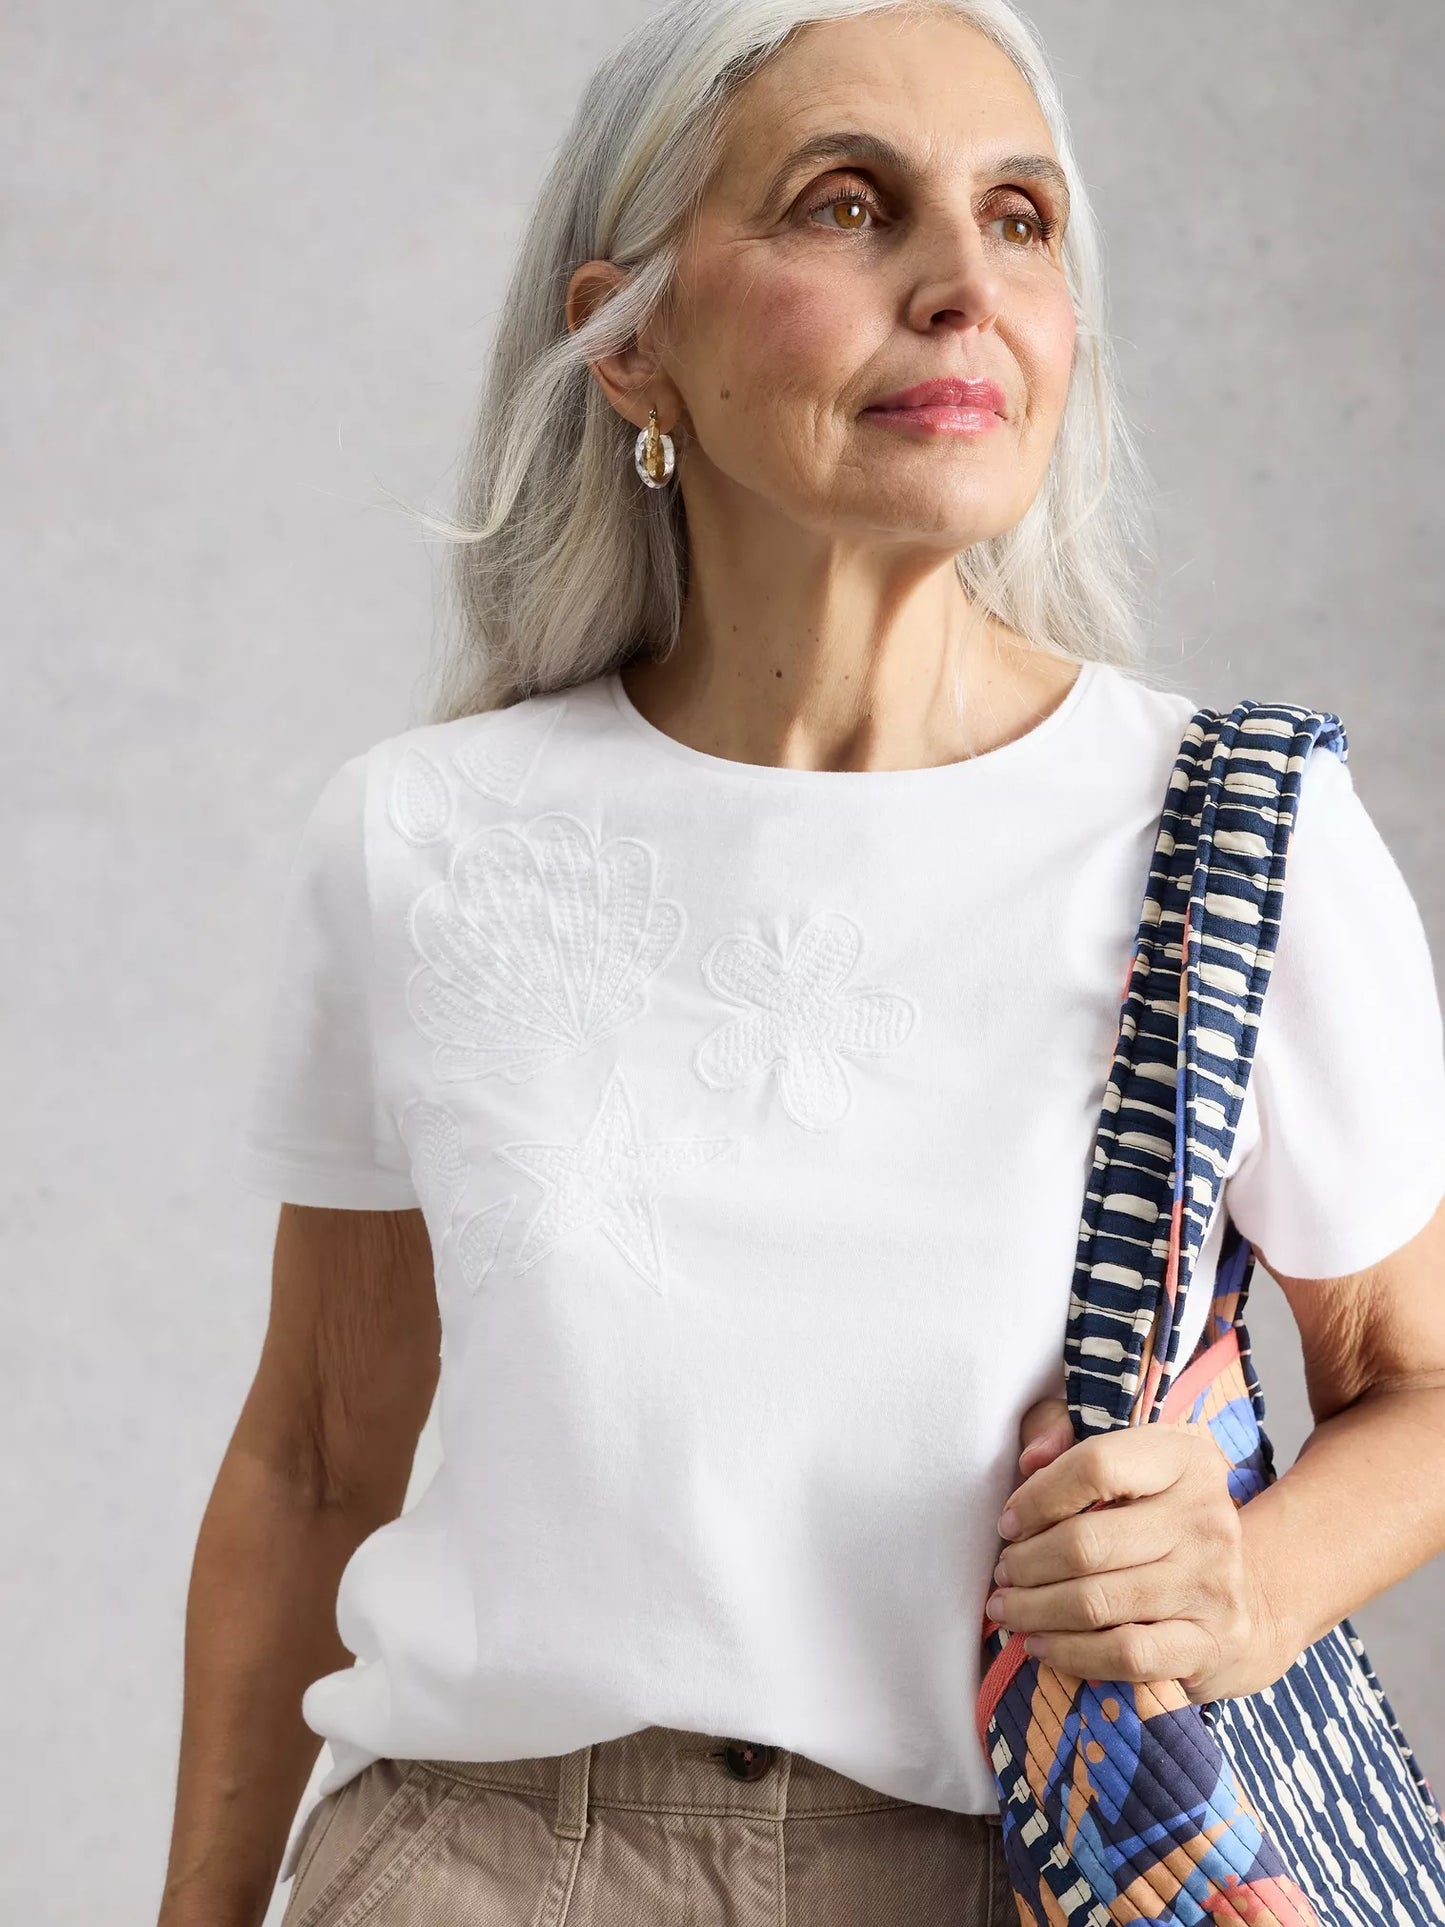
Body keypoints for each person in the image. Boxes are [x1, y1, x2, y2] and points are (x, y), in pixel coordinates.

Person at [158, 2, 1445, 1923]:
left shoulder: (1228, 837)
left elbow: (1418, 1386)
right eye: (849, 208)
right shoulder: (423, 840)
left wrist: (1241, 1579)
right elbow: (316, 1456)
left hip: (1010, 1873)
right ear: (633, 342)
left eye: (1019, 220)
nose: (960, 287)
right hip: (474, 1867)